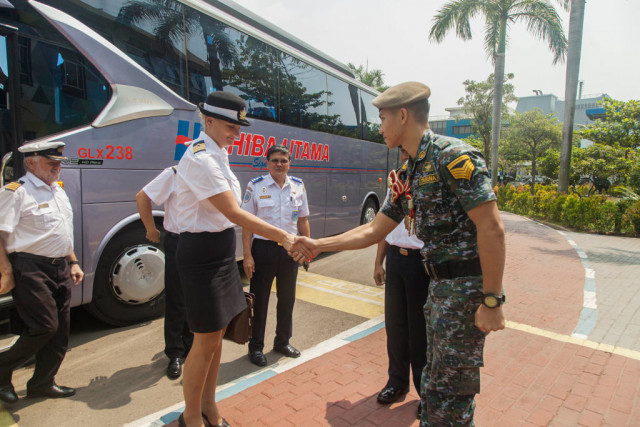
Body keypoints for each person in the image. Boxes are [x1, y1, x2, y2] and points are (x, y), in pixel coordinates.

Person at [292, 81, 506, 426]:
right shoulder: (410, 172)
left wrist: (492, 300)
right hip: (437, 289)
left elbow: (492, 227)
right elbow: (375, 230)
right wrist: (319, 245)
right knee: (435, 389)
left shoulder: (453, 156)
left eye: (382, 118)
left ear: (403, 115)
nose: (379, 128)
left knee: (452, 399)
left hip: (465, 293)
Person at [173, 91, 308, 427]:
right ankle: (190, 416)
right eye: (231, 126)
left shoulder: (219, 154)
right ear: (209, 121)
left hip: (218, 251)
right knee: (204, 340)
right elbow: (234, 211)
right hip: (201, 255)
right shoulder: (201, 157)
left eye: (239, 126)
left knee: (218, 338)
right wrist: (283, 236)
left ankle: (209, 406)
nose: (237, 132)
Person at [0, 141, 84, 404]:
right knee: (44, 326)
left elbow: (61, 230)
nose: (57, 167)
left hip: (59, 266)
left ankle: (42, 382)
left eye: (59, 162)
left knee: (61, 331)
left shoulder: (57, 190)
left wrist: (73, 261)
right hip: (30, 267)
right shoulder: (15, 192)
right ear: (31, 162)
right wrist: (6, 272)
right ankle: (2, 371)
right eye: (51, 162)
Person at [241, 144, 310, 367]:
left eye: (284, 160)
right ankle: (256, 347)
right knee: (259, 300)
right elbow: (246, 224)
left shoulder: (298, 186)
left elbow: (302, 219)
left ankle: (282, 342)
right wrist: (247, 255)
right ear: (267, 163)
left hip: (290, 251)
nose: (280, 164)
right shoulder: (256, 185)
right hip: (263, 250)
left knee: (287, 299)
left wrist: (307, 249)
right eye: (275, 160)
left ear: (290, 163)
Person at [373, 148, 429, 417]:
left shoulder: (432, 179)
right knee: (395, 325)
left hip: (421, 262)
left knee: (419, 332)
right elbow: (384, 224)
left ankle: (425, 393)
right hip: (396, 258)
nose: (405, 153)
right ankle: (396, 382)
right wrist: (378, 262)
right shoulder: (396, 179)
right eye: (403, 150)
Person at [136, 166, 193, 380]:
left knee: (195, 299)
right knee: (177, 300)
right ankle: (175, 353)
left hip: (202, 243)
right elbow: (143, 196)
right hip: (179, 241)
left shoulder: (211, 173)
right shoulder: (175, 173)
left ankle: (191, 344)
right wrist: (150, 228)